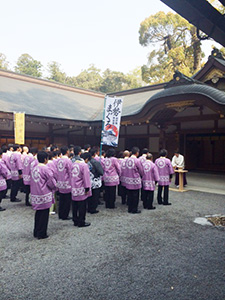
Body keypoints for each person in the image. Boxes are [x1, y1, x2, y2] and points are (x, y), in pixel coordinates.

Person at [30, 151, 57, 239]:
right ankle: (42, 233)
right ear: (46, 159)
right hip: (44, 194)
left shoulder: (34, 168)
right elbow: (51, 182)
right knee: (44, 215)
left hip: (35, 193)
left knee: (38, 213)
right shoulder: (45, 168)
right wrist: (55, 188)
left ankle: (36, 231)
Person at [71, 152, 91, 227]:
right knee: (82, 206)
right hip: (81, 187)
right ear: (86, 159)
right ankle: (81, 221)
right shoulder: (84, 165)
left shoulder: (73, 164)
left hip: (73, 187)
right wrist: (87, 188)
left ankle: (75, 220)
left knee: (74, 205)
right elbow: (86, 177)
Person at [124, 147, 143, 214]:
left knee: (129, 195)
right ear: (137, 153)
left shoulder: (127, 160)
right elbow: (141, 170)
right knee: (135, 195)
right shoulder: (137, 160)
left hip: (128, 179)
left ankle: (130, 208)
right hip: (135, 179)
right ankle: (134, 209)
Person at [56, 146, 73, 220]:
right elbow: (70, 172)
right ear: (67, 151)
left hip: (60, 181)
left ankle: (61, 214)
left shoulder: (59, 160)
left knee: (61, 200)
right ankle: (65, 215)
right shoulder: (68, 161)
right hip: (67, 183)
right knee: (67, 201)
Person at [86, 148, 104, 213]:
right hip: (95, 181)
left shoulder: (86, 162)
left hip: (88, 180)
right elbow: (101, 172)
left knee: (89, 195)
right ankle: (93, 208)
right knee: (95, 195)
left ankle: (88, 207)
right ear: (95, 154)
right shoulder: (96, 162)